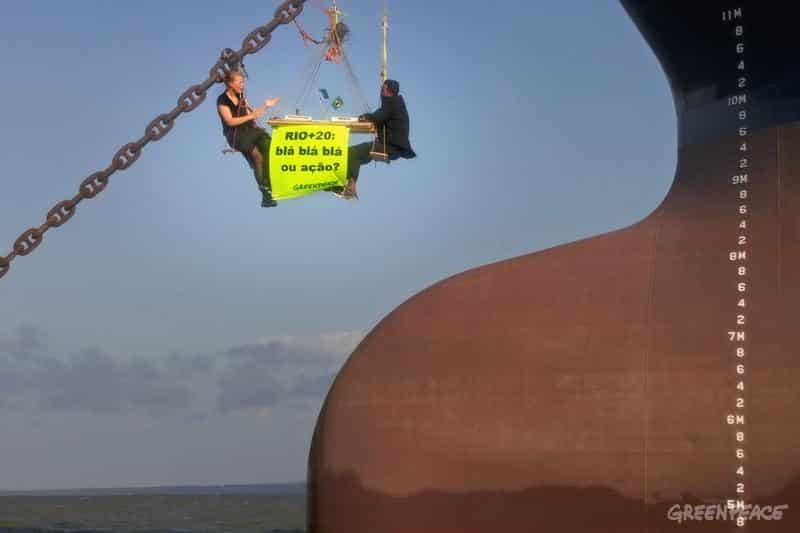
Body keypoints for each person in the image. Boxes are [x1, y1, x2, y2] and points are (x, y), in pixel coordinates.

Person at [342, 79, 416, 199]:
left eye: (383, 89)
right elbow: (380, 116)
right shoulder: (396, 104)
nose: (381, 91)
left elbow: (376, 117)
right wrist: (369, 118)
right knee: (359, 157)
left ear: (389, 91)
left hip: (390, 148)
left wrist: (364, 117)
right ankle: (348, 182)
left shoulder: (392, 103)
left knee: (353, 152)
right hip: (393, 149)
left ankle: (352, 185)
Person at [217, 71, 281, 207]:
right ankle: (265, 192)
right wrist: (251, 116)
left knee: (269, 146)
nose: (243, 85)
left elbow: (251, 114)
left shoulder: (241, 96)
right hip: (236, 134)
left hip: (250, 130)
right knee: (257, 158)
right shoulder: (222, 100)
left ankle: (271, 180)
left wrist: (266, 106)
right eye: (240, 82)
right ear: (230, 83)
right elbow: (229, 121)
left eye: (243, 82)